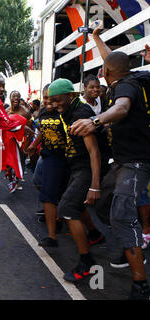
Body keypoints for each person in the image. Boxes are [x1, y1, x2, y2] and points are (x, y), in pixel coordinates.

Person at [71, 51, 150, 299]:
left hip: (136, 162)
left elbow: (122, 107)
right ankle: (130, 244)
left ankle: (141, 284)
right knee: (104, 202)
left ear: (105, 72)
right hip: (122, 162)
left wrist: (96, 121)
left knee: (122, 216)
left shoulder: (125, 86)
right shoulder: (128, 77)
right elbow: (112, 59)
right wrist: (95, 38)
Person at [48, 78, 103, 282]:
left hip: (87, 168)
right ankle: (95, 234)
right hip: (76, 166)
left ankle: (87, 263)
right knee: (76, 205)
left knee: (67, 209)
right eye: (51, 101)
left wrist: (95, 186)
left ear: (70, 96)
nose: (54, 105)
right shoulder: (69, 111)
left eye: (57, 100)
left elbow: (94, 152)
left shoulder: (80, 113)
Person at [26, 84, 68, 247]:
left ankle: (54, 233)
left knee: (58, 195)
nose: (49, 104)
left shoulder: (64, 113)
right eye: (45, 100)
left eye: (52, 101)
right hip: (47, 155)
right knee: (38, 183)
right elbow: (43, 130)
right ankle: (53, 228)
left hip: (63, 158)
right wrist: (33, 144)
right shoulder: (43, 113)